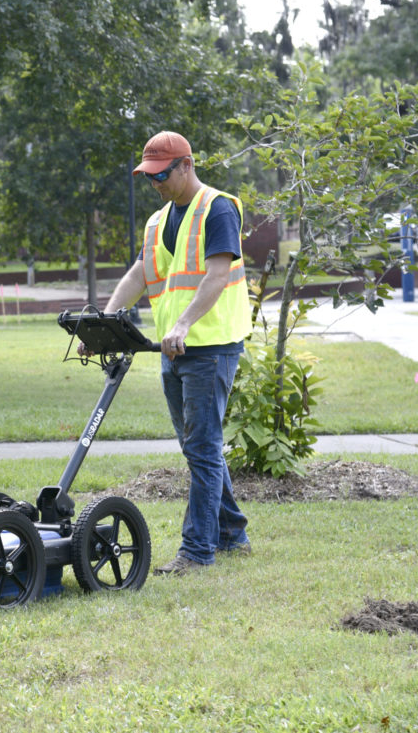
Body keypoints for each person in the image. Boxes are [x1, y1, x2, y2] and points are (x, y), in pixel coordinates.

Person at [87, 131, 252, 575]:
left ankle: (198, 551)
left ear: (186, 165)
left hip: (210, 346)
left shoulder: (218, 208)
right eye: (148, 176)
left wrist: (183, 324)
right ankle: (233, 531)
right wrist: (105, 322)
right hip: (172, 351)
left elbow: (217, 275)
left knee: (201, 448)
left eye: (161, 174)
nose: (154, 183)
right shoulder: (158, 221)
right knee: (198, 447)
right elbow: (141, 272)